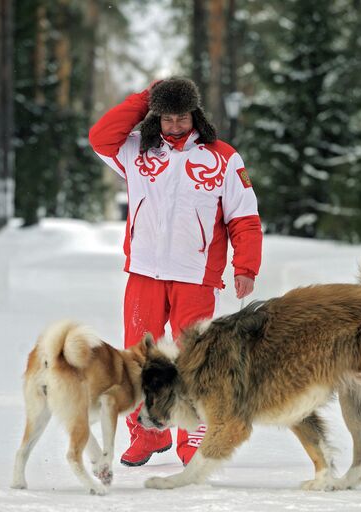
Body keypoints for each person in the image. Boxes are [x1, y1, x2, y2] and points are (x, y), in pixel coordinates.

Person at [88, 77, 262, 467]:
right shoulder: (136, 151)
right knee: (139, 356)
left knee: (192, 357)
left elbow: (245, 219)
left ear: (195, 115)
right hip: (145, 273)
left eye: (182, 117)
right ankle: (147, 435)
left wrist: (245, 265)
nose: (174, 125)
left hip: (195, 275)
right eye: (166, 118)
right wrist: (144, 98)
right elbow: (100, 136)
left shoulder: (223, 158)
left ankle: (191, 438)